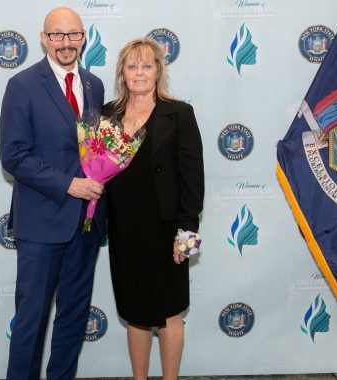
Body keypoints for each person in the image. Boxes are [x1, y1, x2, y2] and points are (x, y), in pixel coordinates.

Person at [0, 7, 106, 380]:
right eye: (57, 35)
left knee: (74, 318)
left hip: (86, 226)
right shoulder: (23, 85)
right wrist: (68, 184)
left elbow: (94, 153)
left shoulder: (94, 84)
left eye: (73, 35)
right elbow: (13, 155)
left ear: (83, 38)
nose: (66, 43)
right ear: (43, 38)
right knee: (31, 323)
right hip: (42, 224)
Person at [102, 38, 204, 380]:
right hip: (124, 228)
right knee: (135, 311)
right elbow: (95, 171)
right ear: (122, 74)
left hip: (168, 229)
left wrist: (187, 233)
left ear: (158, 71)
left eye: (147, 65)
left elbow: (193, 179)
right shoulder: (107, 115)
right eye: (132, 66)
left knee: (170, 312)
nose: (140, 72)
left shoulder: (180, 114)